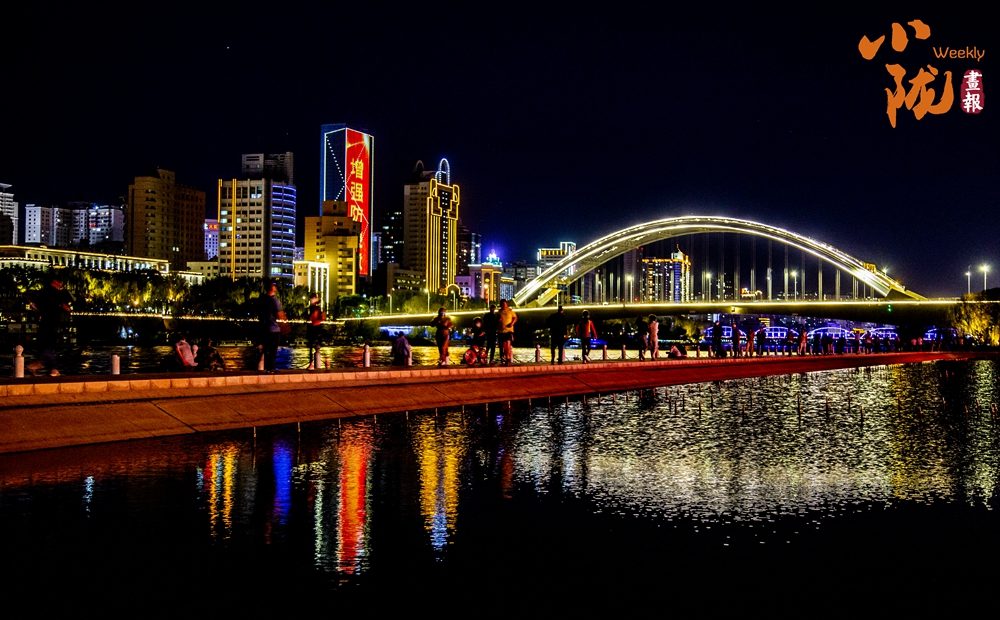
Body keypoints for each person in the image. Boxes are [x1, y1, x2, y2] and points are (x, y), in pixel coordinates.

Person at [27, 273, 74, 377]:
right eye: (60, 282)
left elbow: (36, 304)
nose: (61, 285)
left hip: (45, 320)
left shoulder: (43, 292)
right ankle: (48, 366)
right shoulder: (57, 293)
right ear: (55, 282)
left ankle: (46, 365)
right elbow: (63, 306)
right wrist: (65, 308)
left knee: (46, 343)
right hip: (52, 320)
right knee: (49, 343)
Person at [259, 281, 284, 373]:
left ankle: (266, 367)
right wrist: (284, 325)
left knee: (266, 349)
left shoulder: (262, 300)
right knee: (273, 350)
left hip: (264, 328)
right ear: (273, 289)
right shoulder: (274, 301)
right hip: (274, 328)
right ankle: (271, 368)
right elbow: (279, 314)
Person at [306, 293, 326, 370]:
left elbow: (313, 317)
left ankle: (312, 363)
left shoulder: (315, 308)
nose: (311, 300)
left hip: (315, 327)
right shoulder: (315, 308)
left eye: (313, 298)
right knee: (316, 345)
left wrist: (312, 319)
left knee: (313, 346)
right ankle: (324, 360)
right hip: (316, 327)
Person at [497, 299, 517, 365]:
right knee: (503, 346)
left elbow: (515, 318)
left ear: (507, 304)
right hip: (501, 331)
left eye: (505, 304)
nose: (504, 305)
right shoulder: (499, 312)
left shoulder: (510, 311)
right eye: (502, 304)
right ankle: (504, 357)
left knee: (508, 344)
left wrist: (512, 323)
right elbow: (496, 319)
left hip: (509, 331)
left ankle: (508, 358)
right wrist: (498, 319)